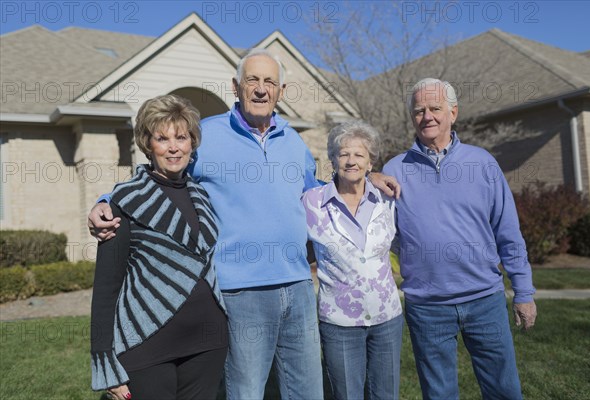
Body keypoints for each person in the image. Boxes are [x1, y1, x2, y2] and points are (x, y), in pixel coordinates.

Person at [88, 48, 400, 399]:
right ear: (236, 87)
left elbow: (322, 194)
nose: (261, 89)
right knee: (247, 392)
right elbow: (159, 174)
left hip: (298, 287)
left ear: (281, 91)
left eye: (270, 81)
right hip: (241, 293)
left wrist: (366, 174)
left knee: (309, 391)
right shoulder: (206, 136)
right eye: (252, 79)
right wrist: (106, 201)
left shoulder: (294, 142)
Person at [382, 78, 537, 400]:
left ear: (453, 112)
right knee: (438, 394)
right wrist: (368, 176)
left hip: (485, 300)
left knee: (504, 390)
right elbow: (381, 230)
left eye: (435, 108)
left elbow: (508, 232)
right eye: (419, 110)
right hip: (427, 306)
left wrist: (523, 291)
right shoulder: (394, 169)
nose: (427, 116)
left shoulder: (482, 163)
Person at [90, 94, 228, 400]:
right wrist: (104, 361)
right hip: (147, 344)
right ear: (147, 144)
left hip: (207, 341)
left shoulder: (202, 196)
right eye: (162, 138)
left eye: (181, 137)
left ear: (192, 143)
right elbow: (106, 287)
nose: (173, 147)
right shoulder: (126, 199)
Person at [303, 121, 403, 400]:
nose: (351, 161)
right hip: (339, 323)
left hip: (386, 319)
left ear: (371, 163)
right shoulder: (312, 202)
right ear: (333, 160)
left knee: (385, 395)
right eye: (343, 154)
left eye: (359, 155)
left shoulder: (387, 199)